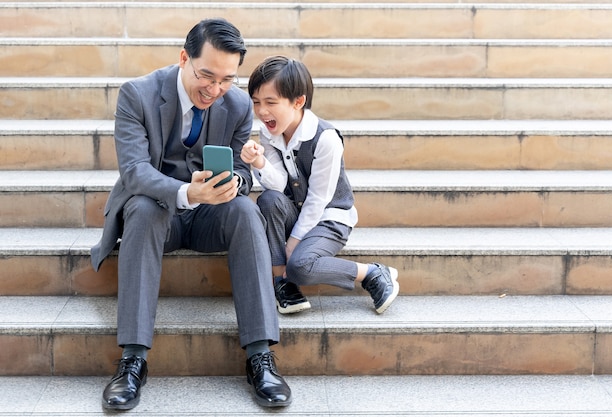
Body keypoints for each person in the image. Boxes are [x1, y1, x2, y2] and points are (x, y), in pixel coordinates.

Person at [90, 19, 291, 410]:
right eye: (207, 76)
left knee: (246, 213)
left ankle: (260, 357)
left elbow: (244, 172)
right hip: (155, 213)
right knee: (145, 209)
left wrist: (235, 180)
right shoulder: (137, 94)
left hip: (208, 217)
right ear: (184, 58)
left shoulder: (234, 105)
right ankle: (133, 360)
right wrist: (185, 191)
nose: (215, 90)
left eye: (227, 79)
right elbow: (134, 171)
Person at [241, 56, 399, 316]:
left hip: (329, 218)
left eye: (270, 102)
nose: (261, 111)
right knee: (268, 200)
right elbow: (278, 184)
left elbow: (318, 199)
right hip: (295, 211)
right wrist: (258, 161)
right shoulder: (269, 133)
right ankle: (282, 282)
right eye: (256, 102)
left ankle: (371, 272)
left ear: (298, 101)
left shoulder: (325, 138)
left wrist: (292, 244)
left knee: (300, 266)